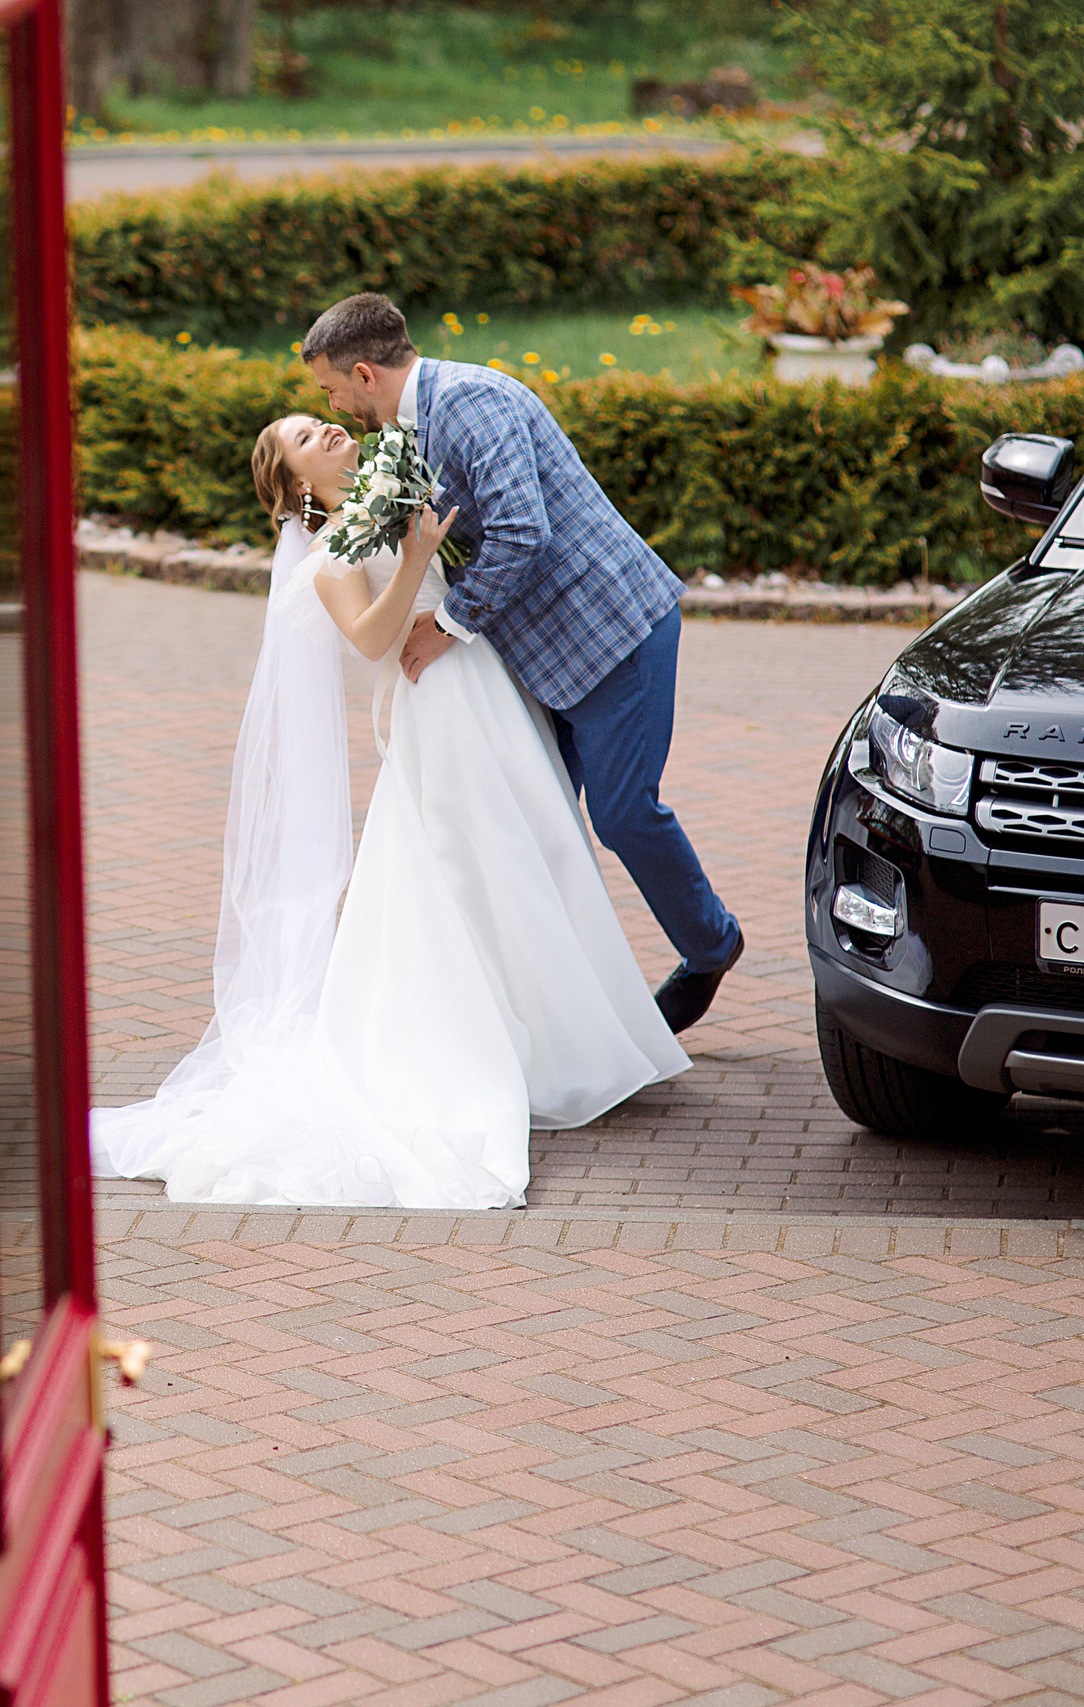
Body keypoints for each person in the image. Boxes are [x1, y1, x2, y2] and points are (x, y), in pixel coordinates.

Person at [88, 414, 688, 1210]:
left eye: (319, 419)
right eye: (304, 434)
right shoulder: (334, 551)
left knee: (533, 851)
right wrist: (412, 561)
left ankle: (560, 1042)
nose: (326, 428)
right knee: (475, 866)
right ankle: (499, 1047)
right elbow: (373, 639)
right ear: (297, 482)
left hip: (485, 692)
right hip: (435, 708)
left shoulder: (393, 492)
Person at [301, 293, 743, 1032]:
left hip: (613, 629)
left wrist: (447, 621)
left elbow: (521, 531)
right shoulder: (414, 422)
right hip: (542, 655)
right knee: (534, 823)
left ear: (366, 373)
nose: (333, 403)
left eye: (330, 388)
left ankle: (710, 946)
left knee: (622, 811)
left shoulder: (470, 401)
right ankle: (560, 1005)